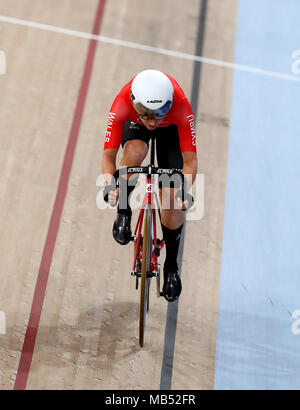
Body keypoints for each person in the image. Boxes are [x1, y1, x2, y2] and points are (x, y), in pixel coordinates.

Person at [101, 69, 197, 302]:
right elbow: (108, 157)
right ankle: (123, 212)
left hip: (171, 131)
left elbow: (190, 161)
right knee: (134, 152)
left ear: (170, 104)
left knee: (171, 197)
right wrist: (111, 186)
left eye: (160, 112)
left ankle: (171, 267)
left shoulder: (181, 107)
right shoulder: (123, 101)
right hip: (135, 127)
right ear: (135, 103)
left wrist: (183, 191)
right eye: (148, 114)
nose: (153, 121)